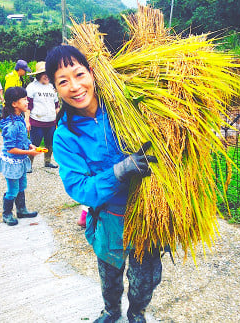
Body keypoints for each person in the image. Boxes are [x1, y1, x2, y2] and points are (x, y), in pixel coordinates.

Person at [46, 45, 161, 323]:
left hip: (149, 215)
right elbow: (79, 188)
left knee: (146, 280)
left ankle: (137, 312)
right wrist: (121, 170)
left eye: (79, 74)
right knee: (110, 278)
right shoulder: (65, 136)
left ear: (93, 73)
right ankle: (112, 312)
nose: (75, 86)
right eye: (63, 81)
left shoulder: (127, 109)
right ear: (55, 89)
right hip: (110, 220)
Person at [0, 87, 42, 226]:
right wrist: (29, 153)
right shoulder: (11, 125)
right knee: (12, 190)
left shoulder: (19, 118)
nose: (27, 102)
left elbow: (22, 139)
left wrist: (30, 145)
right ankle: (7, 213)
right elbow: (11, 148)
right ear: (14, 104)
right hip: (12, 162)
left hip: (20, 161)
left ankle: (21, 210)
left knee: (22, 186)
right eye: (24, 100)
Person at [26, 61, 60, 171]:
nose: (46, 76)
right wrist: (27, 121)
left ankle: (47, 161)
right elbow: (28, 106)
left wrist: (58, 121)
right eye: (43, 73)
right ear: (38, 75)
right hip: (37, 121)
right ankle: (29, 164)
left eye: (47, 73)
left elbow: (56, 106)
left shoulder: (52, 87)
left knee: (49, 143)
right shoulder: (32, 87)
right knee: (34, 144)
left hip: (51, 122)